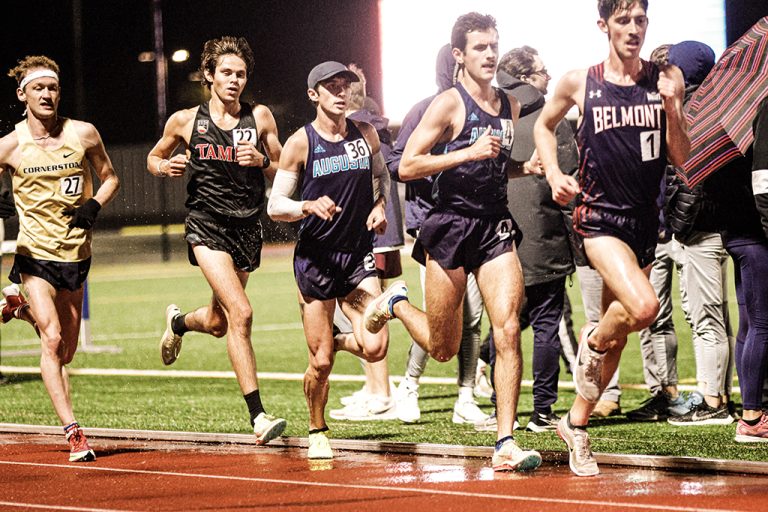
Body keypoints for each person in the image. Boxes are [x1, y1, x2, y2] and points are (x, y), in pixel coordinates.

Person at [365, 13, 542, 472]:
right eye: (480, 47)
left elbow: (498, 164)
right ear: (460, 55)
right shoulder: (447, 104)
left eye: (494, 46)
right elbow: (407, 166)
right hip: (448, 226)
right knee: (443, 348)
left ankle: (505, 442)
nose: (490, 54)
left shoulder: (510, 106)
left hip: (493, 227)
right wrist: (466, 151)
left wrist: (527, 167)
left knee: (506, 330)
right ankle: (398, 303)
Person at [534, 0, 689, 476]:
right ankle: (593, 338)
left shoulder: (662, 81)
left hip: (645, 221)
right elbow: (544, 125)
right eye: (623, 20)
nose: (634, 28)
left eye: (640, 19)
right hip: (599, 218)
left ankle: (575, 424)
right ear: (604, 25)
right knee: (642, 309)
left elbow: (681, 157)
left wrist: (673, 105)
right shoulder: (580, 80)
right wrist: (556, 172)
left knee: (619, 337)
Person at [146, 36, 286, 446]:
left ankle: (177, 322)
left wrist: (263, 162)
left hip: (246, 227)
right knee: (241, 313)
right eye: (226, 72)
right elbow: (153, 157)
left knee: (218, 322)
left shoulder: (260, 118)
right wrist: (164, 166)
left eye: (241, 74)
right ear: (209, 76)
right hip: (206, 226)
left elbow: (283, 167)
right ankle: (258, 416)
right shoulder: (185, 120)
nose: (234, 80)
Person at [267, 61, 391, 459]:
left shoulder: (365, 133)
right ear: (313, 95)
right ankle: (317, 428)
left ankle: (334, 339)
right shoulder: (300, 143)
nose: (341, 92)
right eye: (331, 86)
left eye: (345, 85)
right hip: (316, 261)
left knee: (376, 347)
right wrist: (306, 205)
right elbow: (275, 206)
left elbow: (380, 176)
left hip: (356, 257)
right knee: (320, 363)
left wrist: (379, 203)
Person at [0, 55, 120, 462]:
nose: (47, 94)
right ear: (23, 95)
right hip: (34, 255)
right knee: (51, 341)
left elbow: (111, 177)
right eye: (39, 88)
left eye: (52, 87)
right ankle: (74, 433)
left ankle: (18, 309)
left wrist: (94, 206)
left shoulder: (83, 134)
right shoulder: (11, 145)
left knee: (66, 350)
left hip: (76, 254)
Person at [628, 41, 736, 425]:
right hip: (664, 230)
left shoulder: (702, 111)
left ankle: (713, 401)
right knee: (654, 315)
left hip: (687, 232)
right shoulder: (674, 107)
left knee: (704, 317)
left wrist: (674, 225)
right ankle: (666, 394)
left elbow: (693, 183)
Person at [388, 44, 489, 426]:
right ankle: (409, 387)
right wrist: (444, 170)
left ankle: (465, 397)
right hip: (437, 224)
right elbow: (399, 163)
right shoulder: (427, 108)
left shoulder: (486, 110)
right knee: (440, 318)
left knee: (474, 318)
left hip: (477, 225)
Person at [496, 45, 577, 432]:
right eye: (543, 72)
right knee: (546, 324)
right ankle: (542, 412)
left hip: (500, 239)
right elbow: (570, 180)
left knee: (506, 323)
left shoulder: (495, 118)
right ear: (527, 78)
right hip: (544, 235)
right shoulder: (552, 119)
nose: (548, 77)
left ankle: (501, 404)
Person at [329, 63, 401, 422]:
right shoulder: (373, 124)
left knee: (372, 312)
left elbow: (375, 181)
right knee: (366, 312)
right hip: (380, 233)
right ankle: (374, 389)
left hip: (371, 233)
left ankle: (381, 393)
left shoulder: (360, 130)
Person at [710, 96, 768, 442]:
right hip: (754, 232)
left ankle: (752, 410)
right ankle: (751, 417)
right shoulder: (757, 109)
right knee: (762, 324)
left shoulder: (729, 111)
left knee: (750, 323)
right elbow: (763, 180)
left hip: (737, 230)